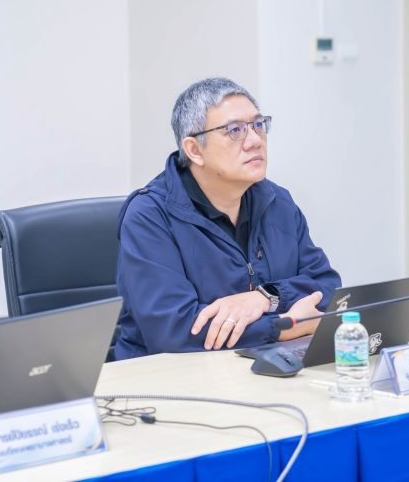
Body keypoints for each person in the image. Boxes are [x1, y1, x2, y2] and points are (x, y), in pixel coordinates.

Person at [115, 77, 341, 359]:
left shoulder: (278, 202)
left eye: (258, 125)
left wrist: (265, 298)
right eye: (235, 131)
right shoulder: (149, 216)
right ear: (194, 150)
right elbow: (174, 330)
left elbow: (328, 288)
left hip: (261, 366)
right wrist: (283, 327)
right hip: (166, 377)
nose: (255, 141)